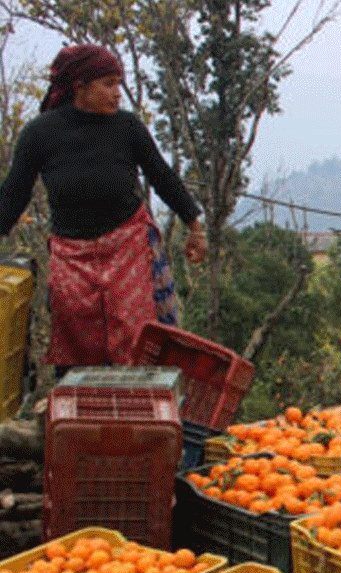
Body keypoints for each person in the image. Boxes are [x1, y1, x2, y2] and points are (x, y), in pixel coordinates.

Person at [0, 44, 206, 373]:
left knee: (136, 338)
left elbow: (162, 176)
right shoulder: (40, 134)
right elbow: (12, 195)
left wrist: (194, 225)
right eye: (108, 84)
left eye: (118, 84)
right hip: (71, 255)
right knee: (76, 343)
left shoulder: (127, 128)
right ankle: (78, 413)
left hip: (127, 247)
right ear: (80, 87)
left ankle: (137, 411)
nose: (117, 94)